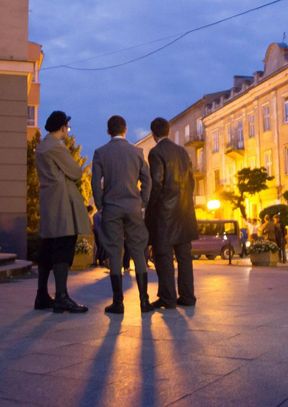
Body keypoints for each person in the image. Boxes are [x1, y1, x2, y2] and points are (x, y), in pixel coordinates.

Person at [91, 115, 153, 314]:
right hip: (133, 207)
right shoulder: (137, 152)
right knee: (138, 251)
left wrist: (100, 205)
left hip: (111, 207)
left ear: (108, 131)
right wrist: (142, 202)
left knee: (115, 252)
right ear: (125, 130)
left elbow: (95, 183)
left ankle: (118, 302)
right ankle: (144, 301)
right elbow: (147, 180)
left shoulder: (100, 153)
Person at [35, 111, 90, 313]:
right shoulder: (56, 146)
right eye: (67, 127)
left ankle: (42, 295)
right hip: (62, 202)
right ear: (62, 127)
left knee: (47, 247)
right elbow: (75, 172)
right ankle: (61, 297)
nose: (68, 130)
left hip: (49, 201)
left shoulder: (42, 146)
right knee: (63, 246)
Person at [145, 117, 199, 308]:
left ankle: (168, 298)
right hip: (184, 213)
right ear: (168, 131)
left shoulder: (156, 153)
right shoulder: (182, 151)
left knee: (164, 257)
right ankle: (188, 296)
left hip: (165, 216)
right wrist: (186, 202)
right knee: (185, 258)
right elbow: (191, 181)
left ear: (153, 134)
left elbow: (156, 184)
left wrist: (150, 210)